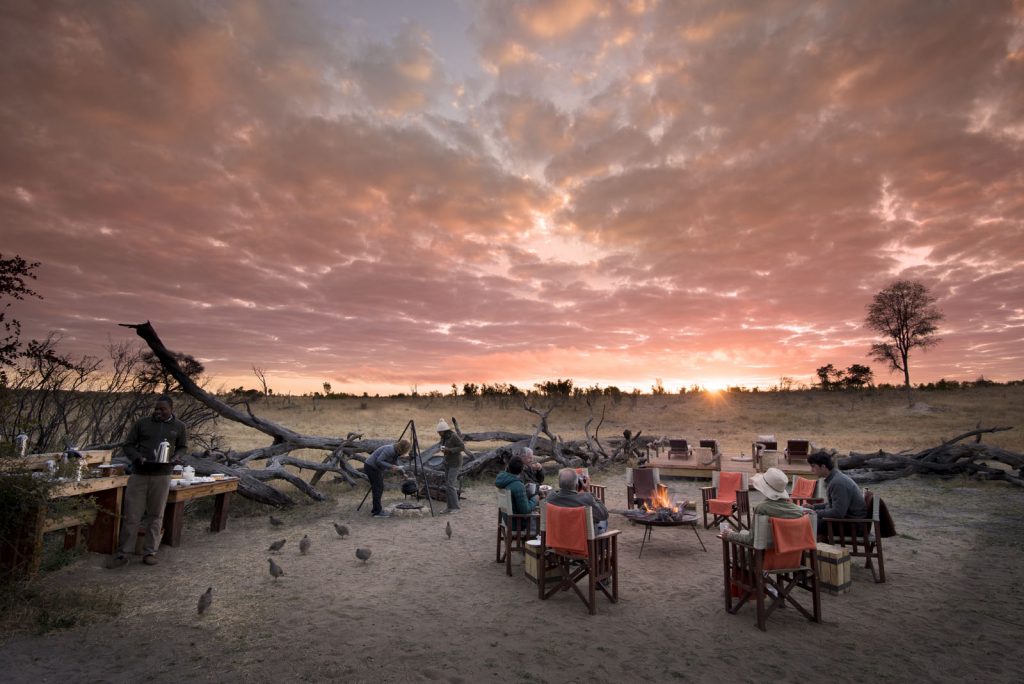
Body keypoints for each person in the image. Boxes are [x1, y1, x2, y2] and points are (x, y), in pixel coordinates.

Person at [108, 396, 187, 567]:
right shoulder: (142, 423)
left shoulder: (179, 426)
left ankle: (150, 552)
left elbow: (182, 446)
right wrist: (137, 457)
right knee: (132, 515)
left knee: (156, 515)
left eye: (162, 409)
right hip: (139, 474)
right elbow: (128, 445)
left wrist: (176, 457)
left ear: (171, 409)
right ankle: (123, 554)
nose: (158, 412)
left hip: (162, 475)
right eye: (156, 409)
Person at [723, 467, 805, 544]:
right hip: (792, 552)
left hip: (767, 553)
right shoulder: (798, 511)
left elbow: (751, 539)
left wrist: (730, 534)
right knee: (743, 532)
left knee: (740, 534)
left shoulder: (762, 509)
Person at [806, 452, 867, 535]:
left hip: (852, 526)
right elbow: (833, 504)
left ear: (823, 466)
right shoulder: (835, 478)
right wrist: (813, 507)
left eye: (813, 466)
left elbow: (838, 513)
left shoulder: (838, 483)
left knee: (805, 523)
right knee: (806, 521)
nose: (811, 470)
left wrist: (814, 513)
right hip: (847, 521)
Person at [545, 468, 610, 534]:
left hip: (559, 535)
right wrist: (588, 491)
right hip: (584, 537)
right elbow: (604, 515)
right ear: (577, 485)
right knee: (603, 521)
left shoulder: (550, 498)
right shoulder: (586, 499)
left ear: (559, 484)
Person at [364, 439, 411, 518]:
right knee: (378, 488)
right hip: (371, 467)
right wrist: (390, 466)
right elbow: (379, 461)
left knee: (378, 488)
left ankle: (376, 509)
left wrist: (403, 473)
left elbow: (395, 463)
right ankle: (377, 512)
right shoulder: (390, 450)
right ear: (403, 449)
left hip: (375, 468)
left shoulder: (396, 452)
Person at [436, 419, 466, 514]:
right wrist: (444, 450)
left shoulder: (454, 436)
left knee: (450, 484)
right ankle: (449, 507)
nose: (438, 433)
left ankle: (456, 507)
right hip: (448, 462)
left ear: (444, 431)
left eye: (439, 432)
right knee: (447, 485)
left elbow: (462, 447)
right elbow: (444, 447)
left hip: (455, 463)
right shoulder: (443, 438)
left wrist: (450, 450)